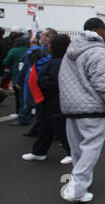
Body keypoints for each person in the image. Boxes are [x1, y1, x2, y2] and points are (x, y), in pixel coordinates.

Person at [58, 17, 105, 202]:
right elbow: (104, 81)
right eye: (103, 29)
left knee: (78, 149)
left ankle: (80, 183)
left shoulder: (72, 49)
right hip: (92, 107)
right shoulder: (97, 50)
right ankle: (77, 188)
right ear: (96, 30)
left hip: (72, 107)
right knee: (90, 149)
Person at [22, 34, 72, 164]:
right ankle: (39, 151)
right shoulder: (56, 60)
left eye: (50, 44)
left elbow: (54, 81)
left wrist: (42, 82)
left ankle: (71, 152)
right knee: (46, 126)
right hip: (49, 99)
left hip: (54, 98)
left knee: (59, 126)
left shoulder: (58, 62)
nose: (48, 46)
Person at [3, 36, 28, 121]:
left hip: (17, 73)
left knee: (18, 94)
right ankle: (28, 110)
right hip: (28, 74)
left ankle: (19, 112)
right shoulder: (29, 50)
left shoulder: (14, 50)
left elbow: (6, 61)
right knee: (26, 94)